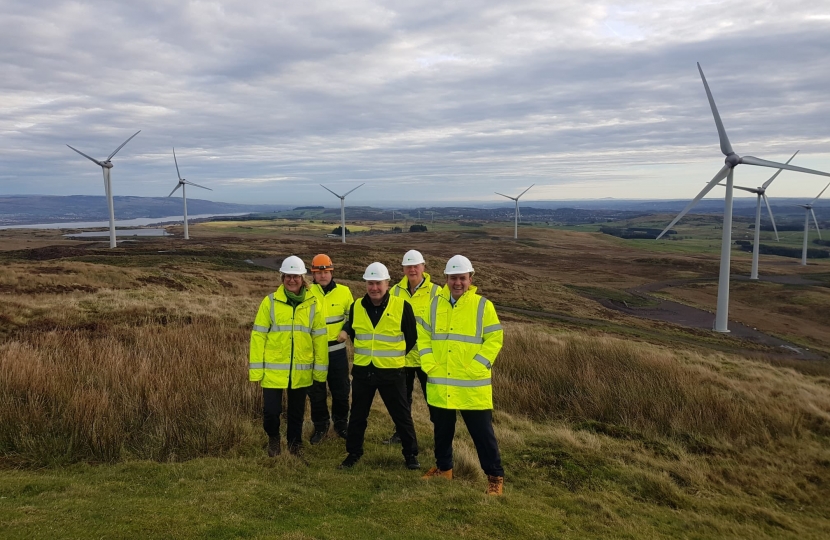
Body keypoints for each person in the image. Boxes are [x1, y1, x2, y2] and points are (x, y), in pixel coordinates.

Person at [417, 255, 506, 495]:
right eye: (453, 278)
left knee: (483, 435)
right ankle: (444, 469)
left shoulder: (482, 306)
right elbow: (423, 336)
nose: (458, 283)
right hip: (440, 381)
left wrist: (478, 366)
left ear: (470, 279)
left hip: (472, 386)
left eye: (462, 278)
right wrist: (428, 363)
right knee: (442, 431)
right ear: (446, 279)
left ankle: (495, 477)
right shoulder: (434, 304)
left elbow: (495, 339)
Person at [337, 262, 420, 470]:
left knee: (401, 416)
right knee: (357, 416)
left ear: (388, 283)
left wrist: (393, 358)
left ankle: (410, 454)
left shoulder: (402, 307)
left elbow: (411, 338)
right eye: (370, 283)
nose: (374, 288)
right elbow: (356, 335)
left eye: (378, 283)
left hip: (392, 372)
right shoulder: (356, 306)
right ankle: (353, 453)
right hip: (364, 371)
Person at [249, 255, 328, 457]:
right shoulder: (270, 302)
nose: (291, 280)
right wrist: (256, 370)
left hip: (301, 368)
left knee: (296, 413)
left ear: (303, 278)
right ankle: (273, 438)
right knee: (271, 413)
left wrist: (320, 372)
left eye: (296, 276)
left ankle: (295, 444)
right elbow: (258, 336)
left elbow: (319, 338)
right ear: (282, 278)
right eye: (287, 276)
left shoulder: (313, 303)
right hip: (273, 369)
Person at [382, 249, 440, 445]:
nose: (412, 269)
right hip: (402, 357)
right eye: (408, 266)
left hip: (427, 358)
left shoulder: (436, 292)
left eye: (416, 265)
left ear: (423, 267)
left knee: (434, 399)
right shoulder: (395, 291)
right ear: (403, 268)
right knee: (402, 401)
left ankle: (440, 434)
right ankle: (401, 434)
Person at [308, 253, 354, 444]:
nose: (323, 276)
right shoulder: (307, 292)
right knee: (316, 392)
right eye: (319, 273)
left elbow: (353, 317)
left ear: (331, 271)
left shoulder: (344, 291)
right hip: (315, 354)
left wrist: (345, 330)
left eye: (326, 271)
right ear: (313, 274)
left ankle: (341, 425)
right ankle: (320, 426)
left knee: (341, 391)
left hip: (337, 353)